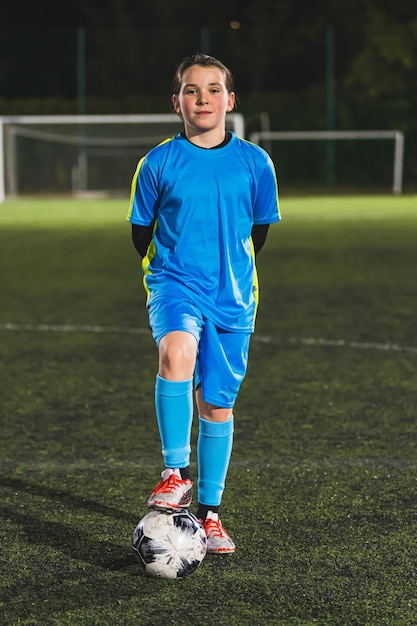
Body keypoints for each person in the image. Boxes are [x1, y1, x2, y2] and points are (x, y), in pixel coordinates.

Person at [127, 53, 280, 554]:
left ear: (230, 101)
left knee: (217, 404)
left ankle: (210, 515)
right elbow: (139, 234)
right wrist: (177, 272)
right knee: (176, 354)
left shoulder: (256, 163)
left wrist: (225, 271)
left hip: (234, 296)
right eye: (192, 91)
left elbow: (257, 233)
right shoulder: (157, 163)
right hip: (174, 283)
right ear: (177, 103)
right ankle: (175, 472)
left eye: (214, 90)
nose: (203, 99)